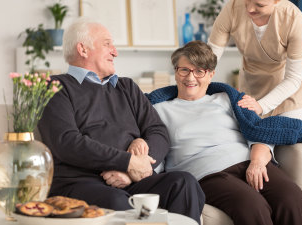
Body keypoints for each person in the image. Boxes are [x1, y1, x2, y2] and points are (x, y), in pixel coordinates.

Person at [37, 18, 205, 224]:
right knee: (118, 204)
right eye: (107, 44)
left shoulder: (126, 87)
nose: (115, 52)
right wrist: (127, 162)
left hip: (131, 180)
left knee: (184, 182)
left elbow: (158, 132)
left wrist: (136, 170)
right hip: (80, 183)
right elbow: (67, 142)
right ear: (83, 49)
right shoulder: (53, 87)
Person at [148, 41, 302, 225]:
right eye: (184, 70)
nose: (191, 77)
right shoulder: (158, 109)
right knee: (252, 205)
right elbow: (154, 148)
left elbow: (258, 130)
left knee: (292, 197)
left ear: (211, 74)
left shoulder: (226, 98)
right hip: (206, 174)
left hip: (248, 163)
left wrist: (257, 161)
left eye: (199, 71)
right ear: (176, 72)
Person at [208, 0, 302, 126]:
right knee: (250, 141)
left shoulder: (293, 20)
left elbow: (293, 79)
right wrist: (196, 82)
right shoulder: (233, 8)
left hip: (290, 91)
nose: (249, 8)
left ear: (279, 0)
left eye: (260, 5)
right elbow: (210, 56)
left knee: (283, 143)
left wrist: (262, 106)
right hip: (252, 86)